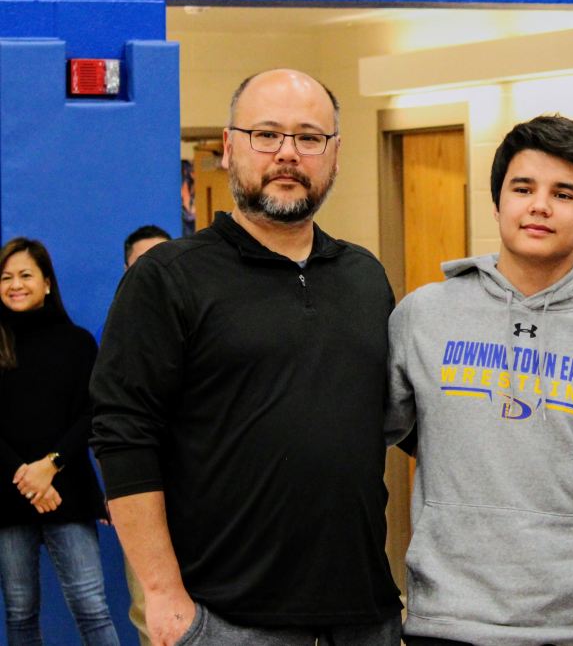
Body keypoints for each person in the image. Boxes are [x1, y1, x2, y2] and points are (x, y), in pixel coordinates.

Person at [91, 69, 402, 646]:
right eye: (266, 134)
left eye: (309, 137)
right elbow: (123, 434)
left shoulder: (364, 276)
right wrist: (162, 595)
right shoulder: (168, 278)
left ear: (335, 155)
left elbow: (400, 416)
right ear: (230, 147)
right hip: (226, 618)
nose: (288, 153)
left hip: (364, 610)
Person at [387, 114, 573, 645]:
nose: (539, 206)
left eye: (563, 194)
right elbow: (389, 432)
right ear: (497, 203)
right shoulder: (422, 315)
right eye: (523, 188)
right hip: (444, 619)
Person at [0, 237, 120, 646]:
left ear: (47, 283)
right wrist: (25, 476)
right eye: (6, 278)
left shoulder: (78, 342)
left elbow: (92, 413)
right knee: (19, 612)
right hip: (8, 494)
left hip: (67, 488)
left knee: (92, 608)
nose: (16, 285)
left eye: (25, 275)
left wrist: (49, 465)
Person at [120, 224, 171, 646]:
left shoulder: (213, 322)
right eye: (143, 263)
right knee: (150, 612)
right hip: (144, 496)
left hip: (212, 496)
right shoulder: (119, 337)